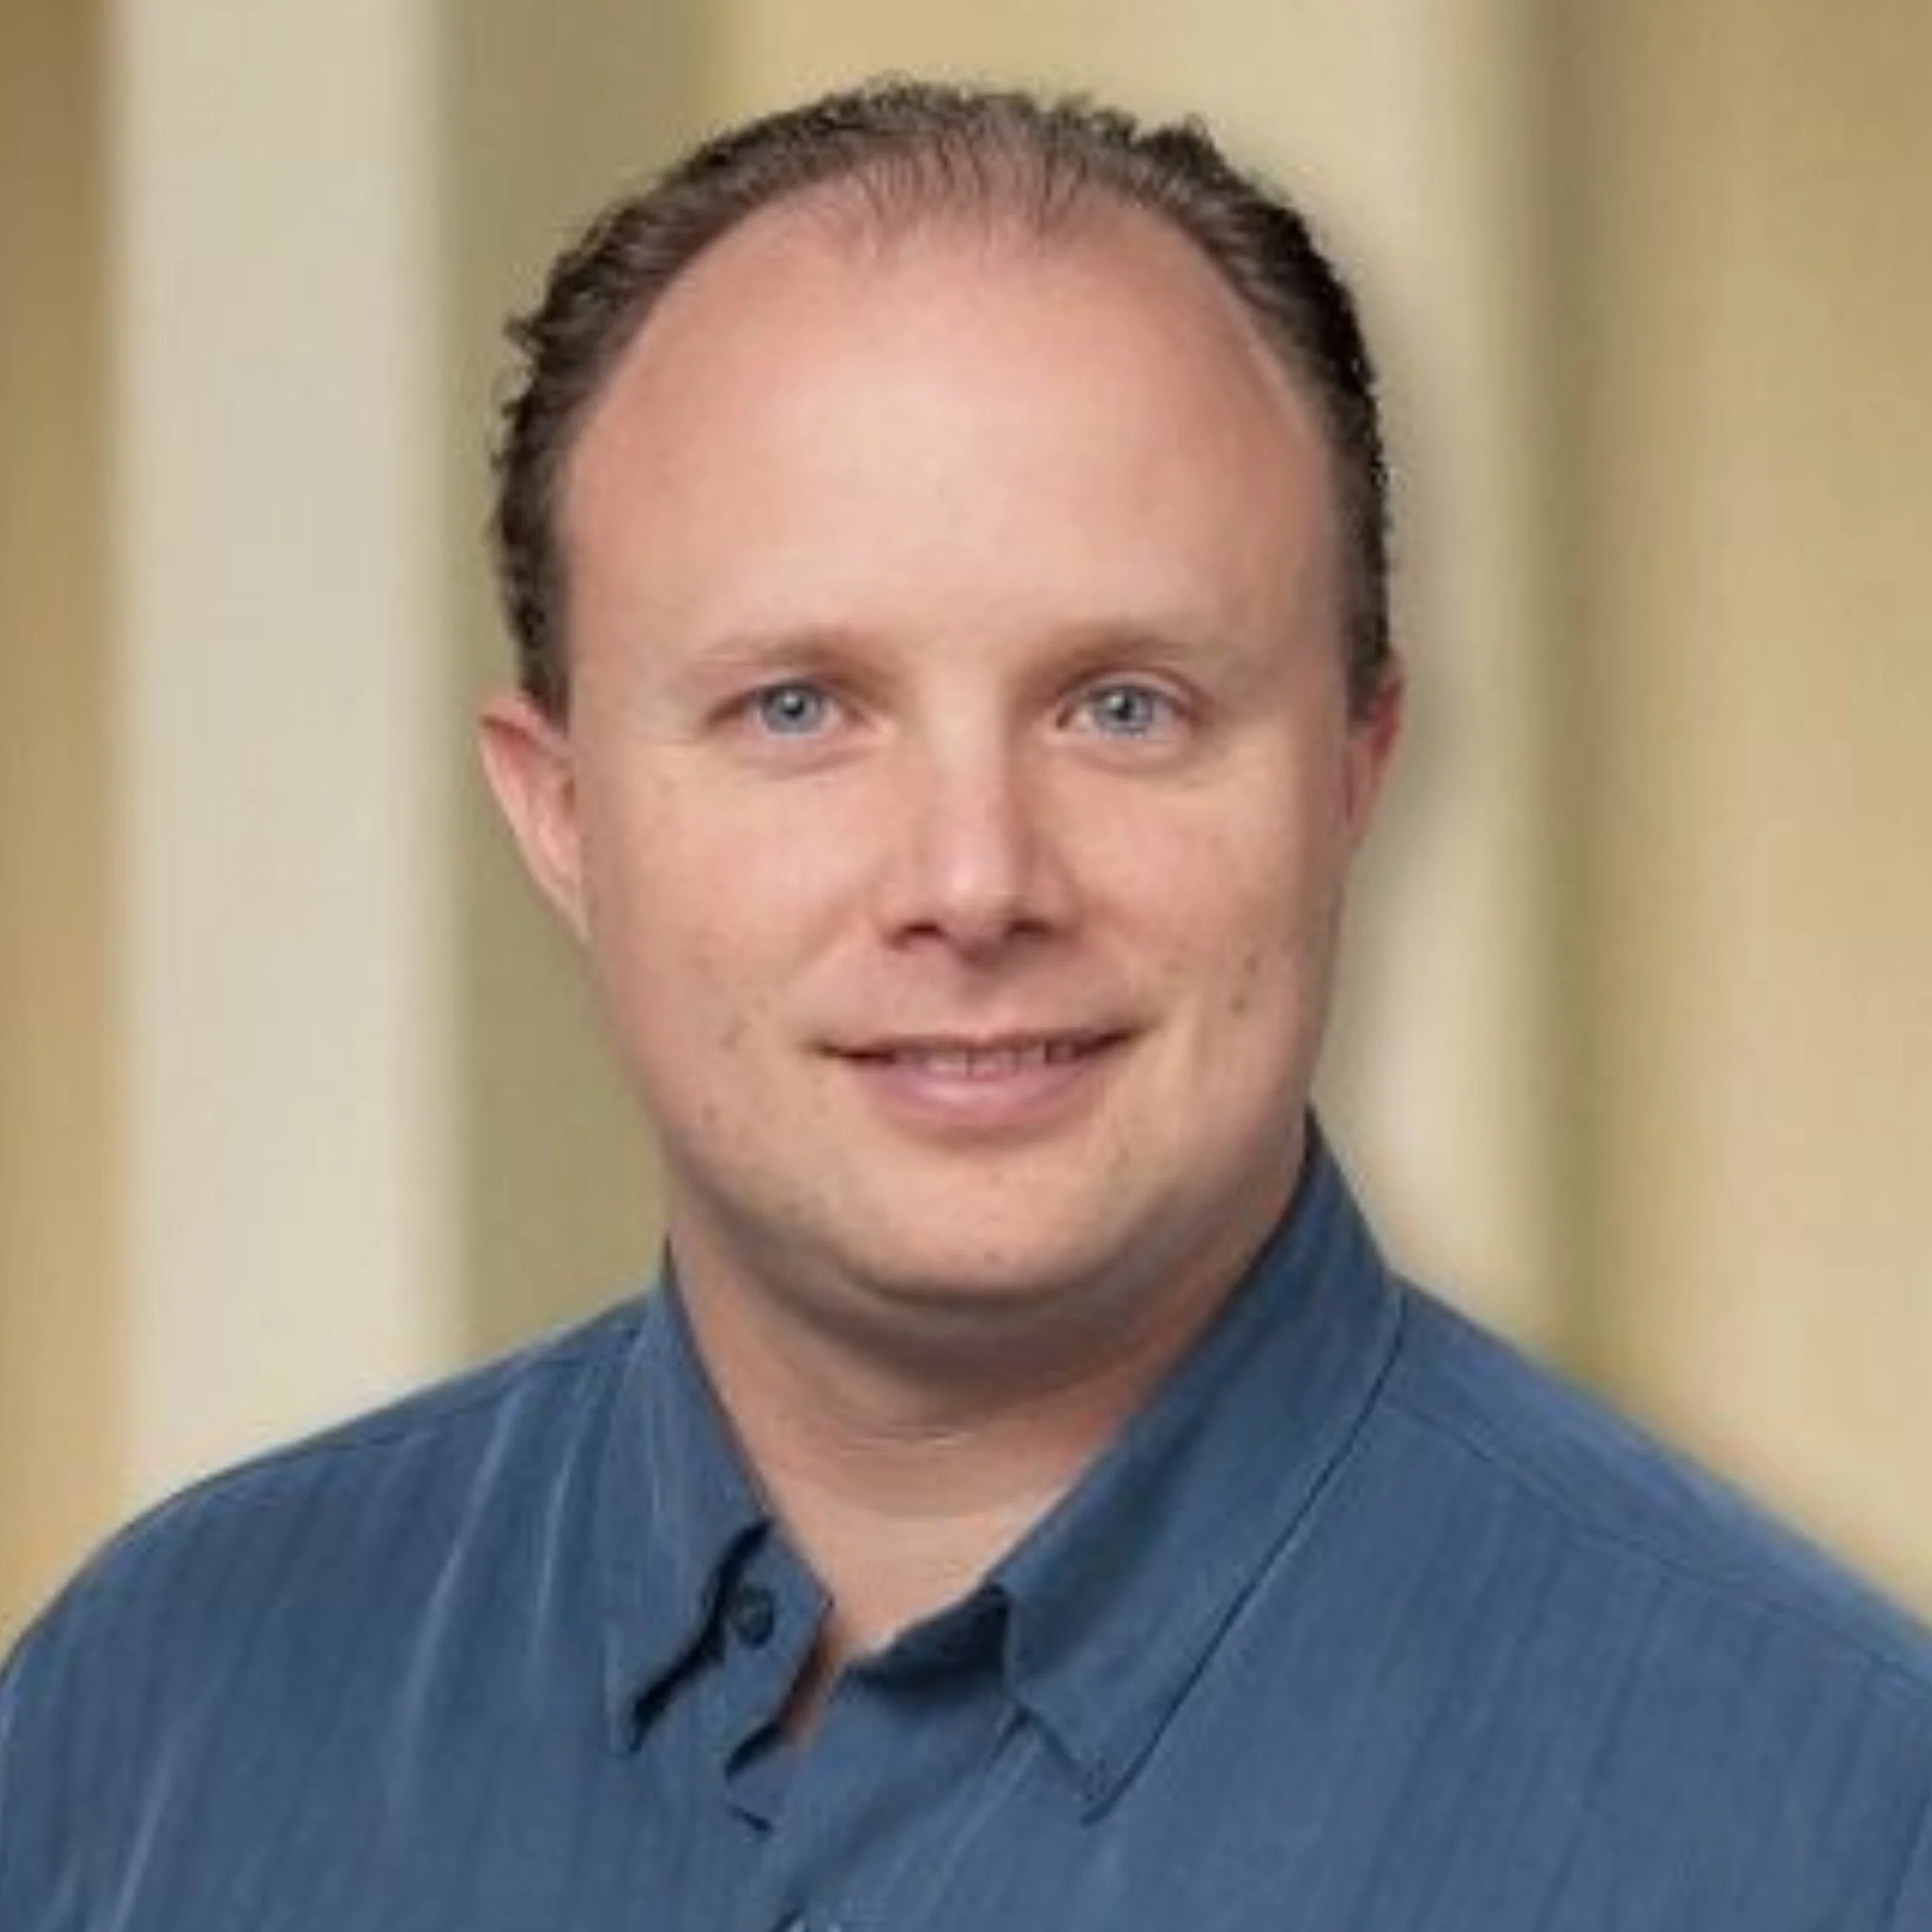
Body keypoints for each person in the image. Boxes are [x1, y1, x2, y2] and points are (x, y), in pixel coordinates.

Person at [2, 80, 1928, 1930]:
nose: (972, 879)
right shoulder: (146, 1720)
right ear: (562, 810)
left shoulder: (1841, 1823)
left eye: (1123, 705)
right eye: (796, 709)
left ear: (1353, 771)